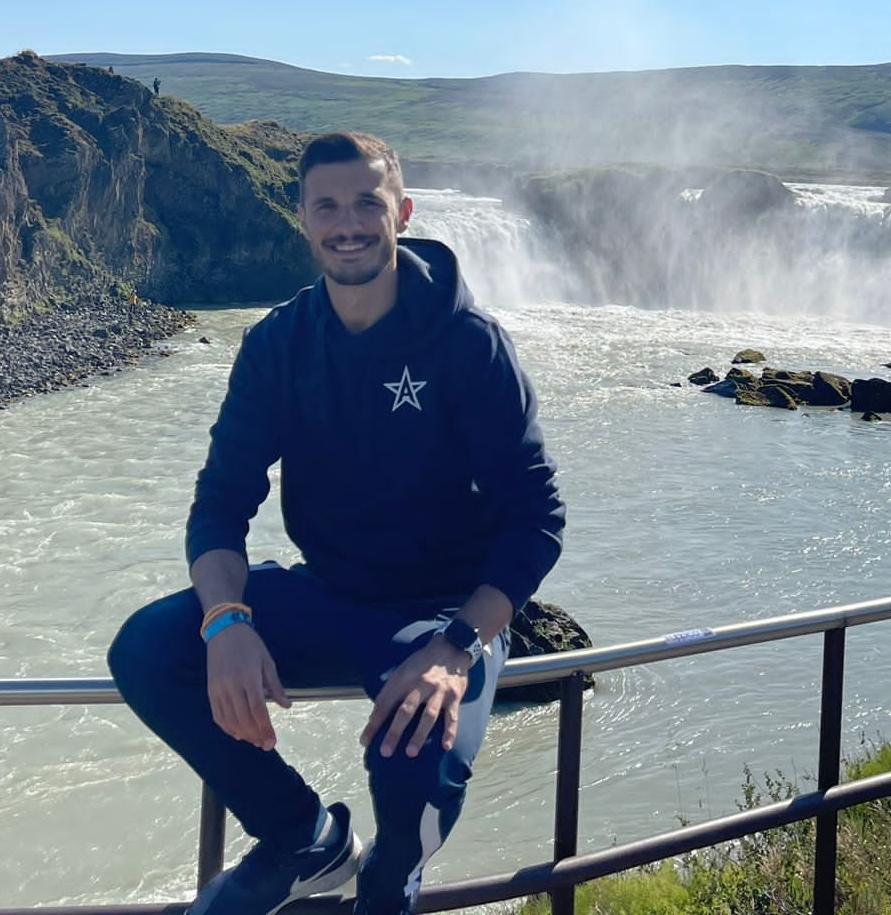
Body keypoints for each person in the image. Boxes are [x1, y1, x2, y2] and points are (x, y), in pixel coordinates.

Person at [107, 132, 565, 915]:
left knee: (415, 752)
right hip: (329, 593)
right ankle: (303, 840)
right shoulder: (278, 345)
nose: (347, 223)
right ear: (303, 219)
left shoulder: (469, 346)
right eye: (328, 206)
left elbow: (537, 515)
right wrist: (226, 621)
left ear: (403, 212)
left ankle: (389, 883)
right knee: (149, 648)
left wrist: (458, 647)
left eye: (366, 203)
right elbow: (221, 501)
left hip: (440, 612)